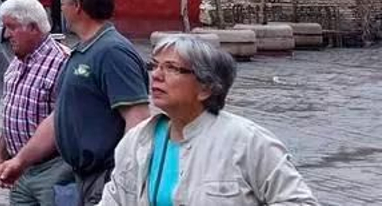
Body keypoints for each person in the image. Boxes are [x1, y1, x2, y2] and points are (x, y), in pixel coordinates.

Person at [102, 35, 317, 206]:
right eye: (155, 65)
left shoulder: (248, 141)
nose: (156, 75)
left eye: (172, 68)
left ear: (205, 88)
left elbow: (299, 201)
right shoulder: (138, 140)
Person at [0, 0, 148, 205]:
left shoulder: (112, 52)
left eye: (63, 3)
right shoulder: (82, 51)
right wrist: (20, 161)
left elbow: (137, 120)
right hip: (84, 178)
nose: (61, 9)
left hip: (105, 179)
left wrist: (123, 181)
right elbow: (59, 118)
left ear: (77, 6)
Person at [0, 0, 72, 205]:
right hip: (20, 170)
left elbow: (66, 121)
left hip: (53, 169)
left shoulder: (63, 62)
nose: (7, 35)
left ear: (33, 28)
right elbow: (13, 114)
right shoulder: (16, 62)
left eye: (12, 27)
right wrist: (0, 155)